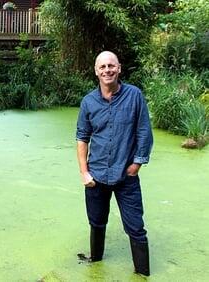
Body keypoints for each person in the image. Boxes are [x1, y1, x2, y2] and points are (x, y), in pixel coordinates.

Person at [76, 51, 153, 276]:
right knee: (97, 222)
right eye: (103, 67)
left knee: (136, 228)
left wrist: (137, 164)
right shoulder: (88, 102)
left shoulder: (134, 95)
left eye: (111, 66)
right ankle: (96, 260)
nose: (107, 70)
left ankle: (142, 273)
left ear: (119, 68)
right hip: (96, 176)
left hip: (125, 176)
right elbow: (82, 137)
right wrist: (84, 173)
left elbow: (144, 131)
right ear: (96, 71)